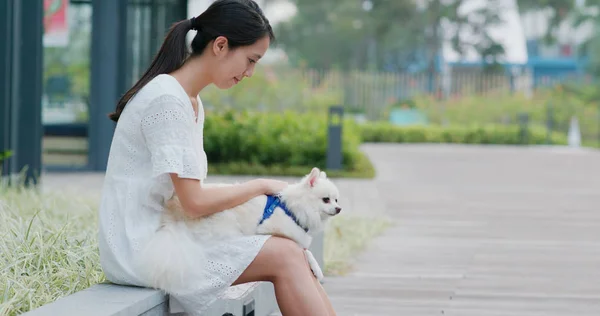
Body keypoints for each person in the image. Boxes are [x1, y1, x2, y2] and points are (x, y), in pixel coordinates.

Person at [97, 0, 336, 315]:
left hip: (170, 234)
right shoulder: (168, 100)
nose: (250, 73)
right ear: (221, 45)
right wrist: (259, 186)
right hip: (142, 248)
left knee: (290, 252)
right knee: (285, 256)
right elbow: (194, 202)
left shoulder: (188, 100)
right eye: (250, 60)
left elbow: (188, 200)